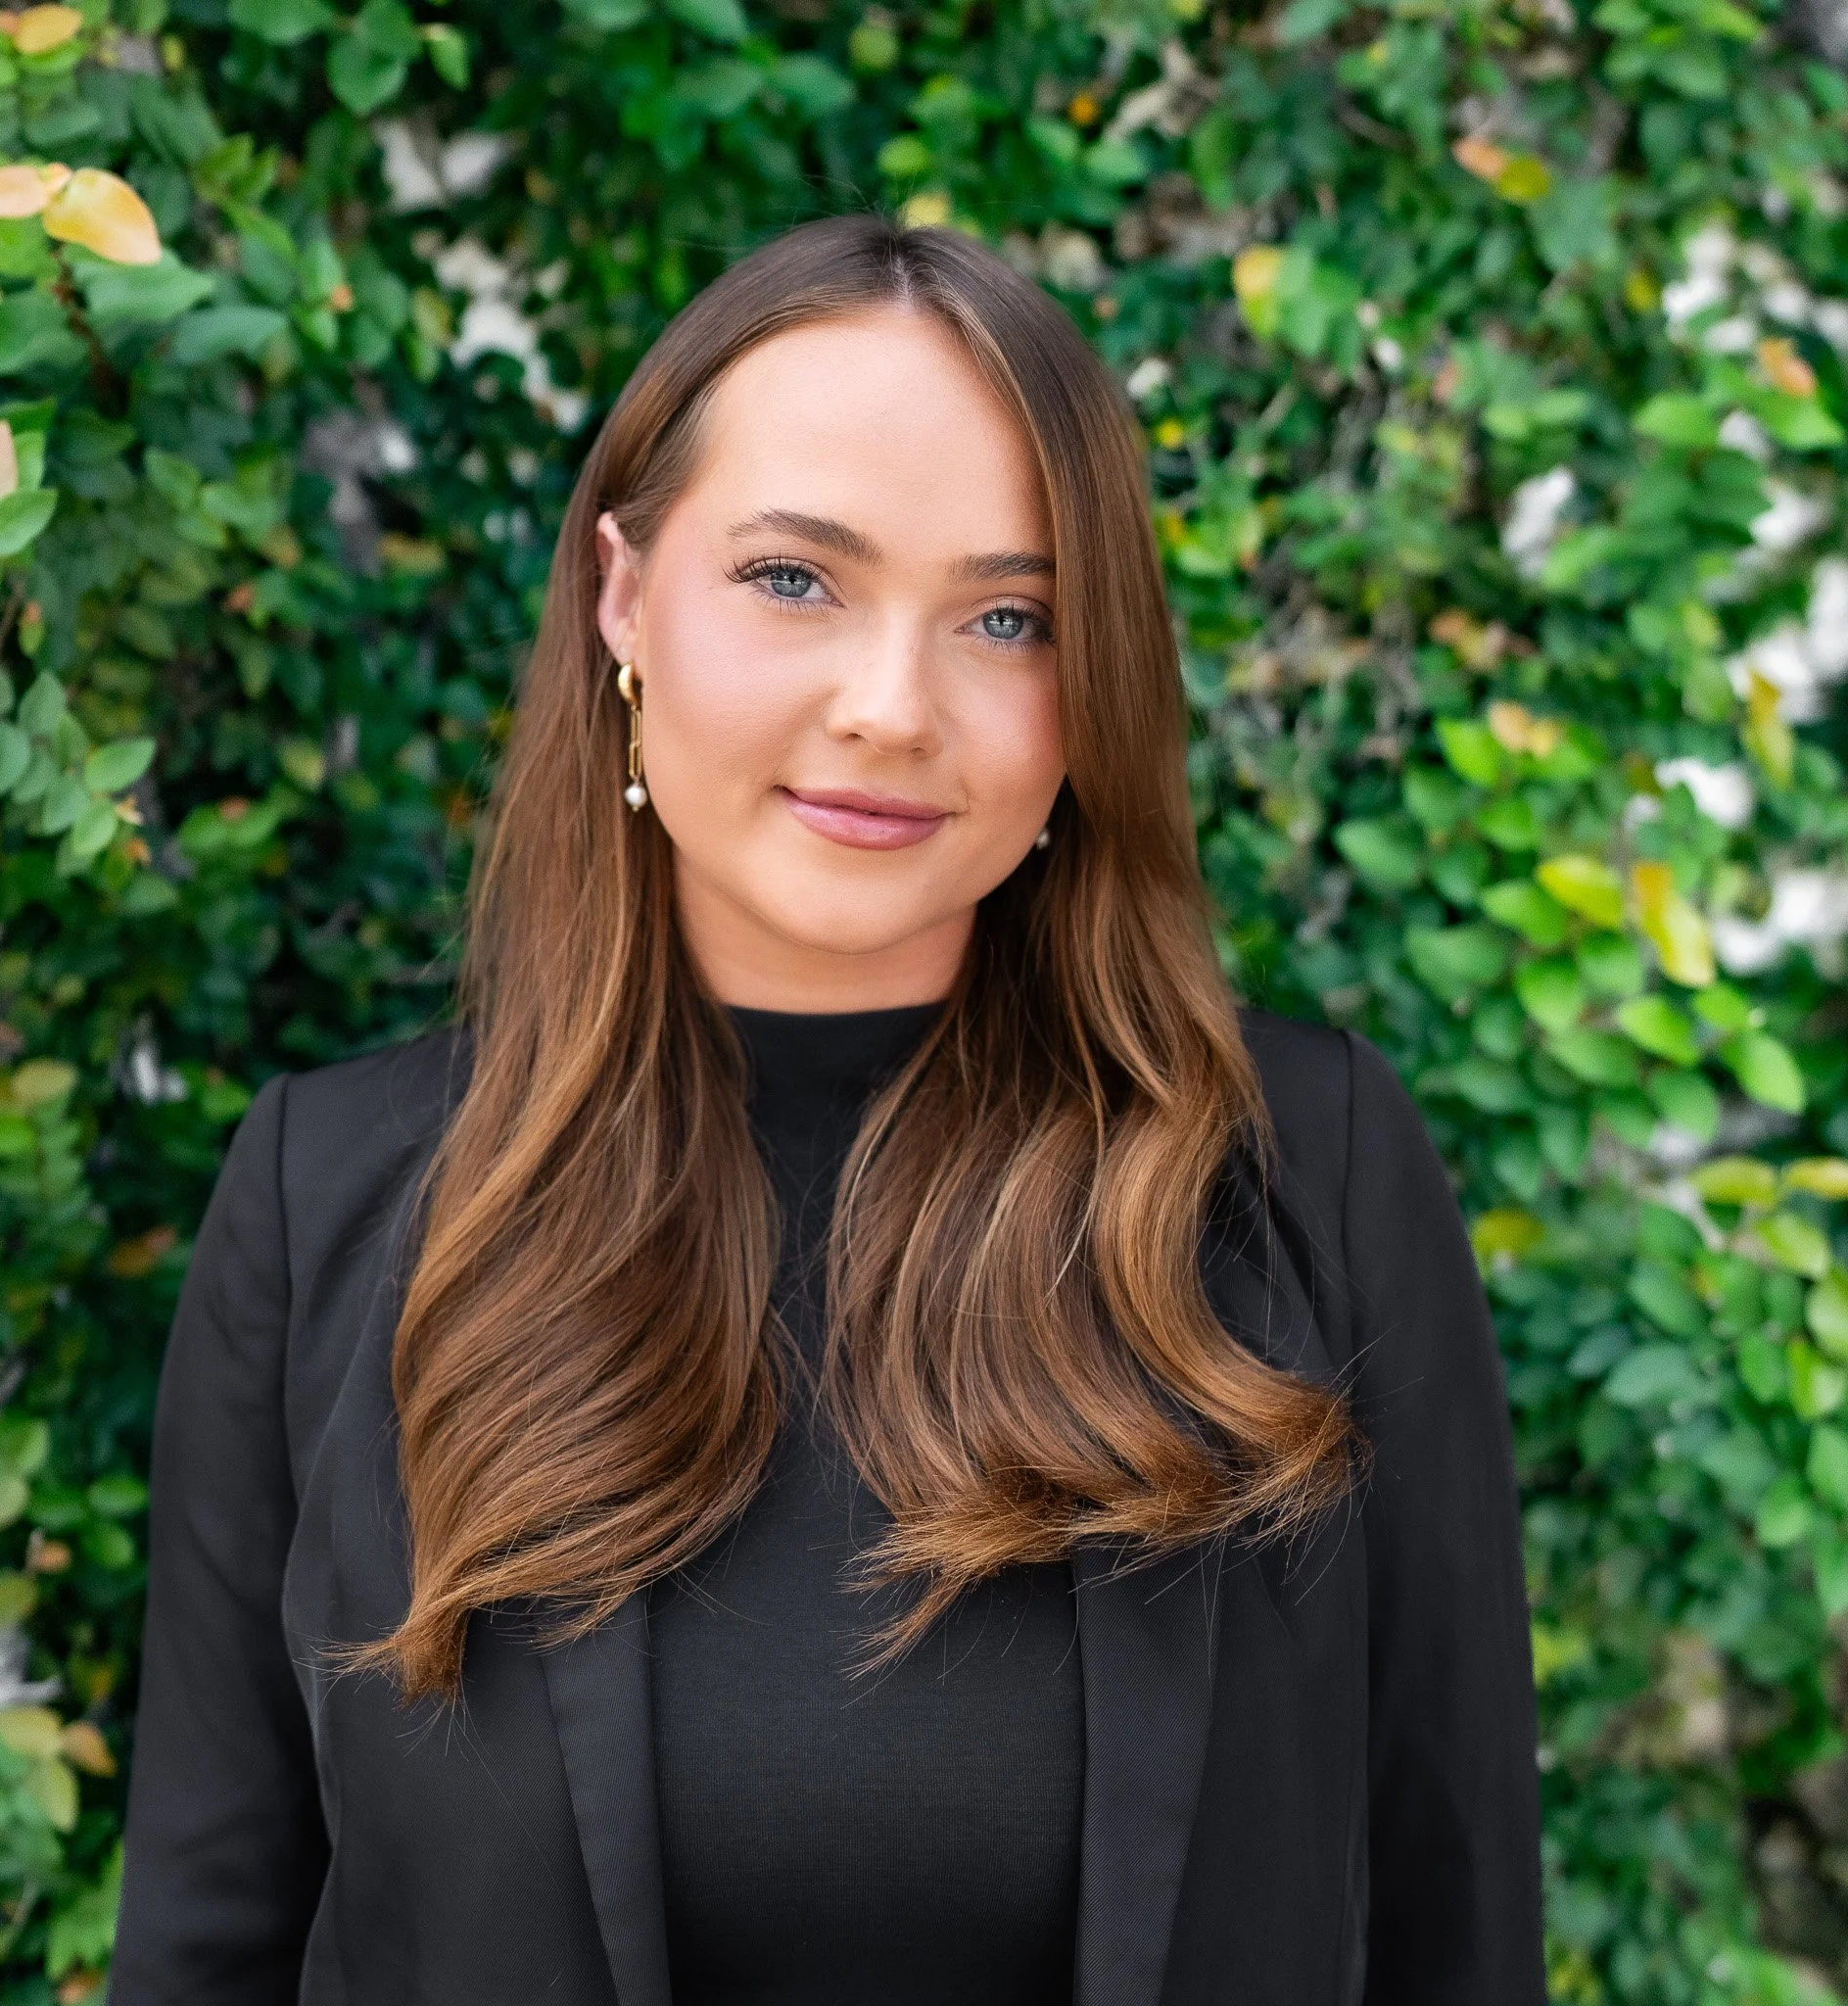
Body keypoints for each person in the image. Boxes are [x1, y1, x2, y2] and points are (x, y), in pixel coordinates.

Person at [109, 214, 1544, 2006]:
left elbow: (1455, 1919)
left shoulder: (1300, 1182)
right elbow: (206, 1937)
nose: (890, 707)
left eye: (1008, 618)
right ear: (625, 598)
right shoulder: (333, 1205)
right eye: (795, 578)